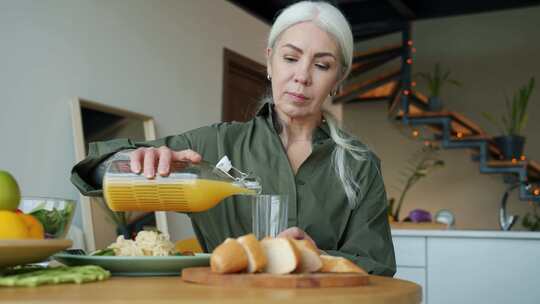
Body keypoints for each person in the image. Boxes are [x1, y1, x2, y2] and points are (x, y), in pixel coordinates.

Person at [71, 1, 396, 276]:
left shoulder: (359, 165)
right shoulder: (213, 146)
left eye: (321, 65)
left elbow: (378, 266)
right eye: (290, 58)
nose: (302, 76)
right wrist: (132, 163)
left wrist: (319, 259)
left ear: (338, 80)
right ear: (269, 61)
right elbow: (89, 173)